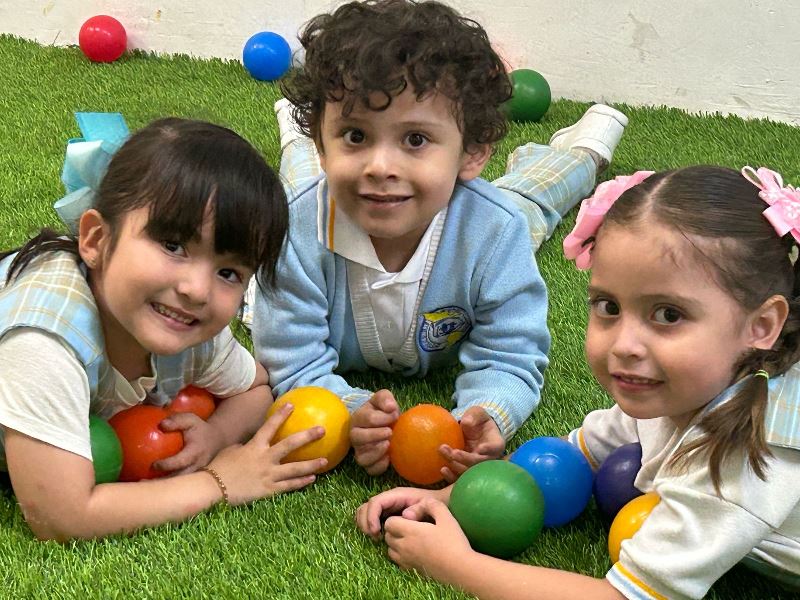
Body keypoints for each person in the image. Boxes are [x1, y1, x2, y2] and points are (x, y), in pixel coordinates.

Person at [356, 165, 800, 598]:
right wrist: (448, 497)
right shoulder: (682, 386)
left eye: (668, 315)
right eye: (609, 307)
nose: (624, 345)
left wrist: (454, 564)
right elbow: (577, 454)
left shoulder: (748, 457)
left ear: (761, 325)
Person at [249, 0, 629, 482]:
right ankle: (295, 134)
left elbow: (510, 353)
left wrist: (486, 414)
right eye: (355, 135)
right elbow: (291, 361)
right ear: (324, 144)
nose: (380, 166)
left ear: (473, 152)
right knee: (296, 184)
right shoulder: (293, 228)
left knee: (529, 202)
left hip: (475, 205)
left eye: (414, 140)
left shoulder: (494, 229)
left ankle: (585, 149)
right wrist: (349, 411)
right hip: (320, 191)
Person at [0, 112, 327, 542]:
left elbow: (255, 389)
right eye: (173, 246)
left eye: (229, 272)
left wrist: (216, 435)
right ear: (96, 240)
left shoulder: (188, 325)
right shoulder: (44, 340)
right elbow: (62, 515)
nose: (197, 290)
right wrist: (219, 482)